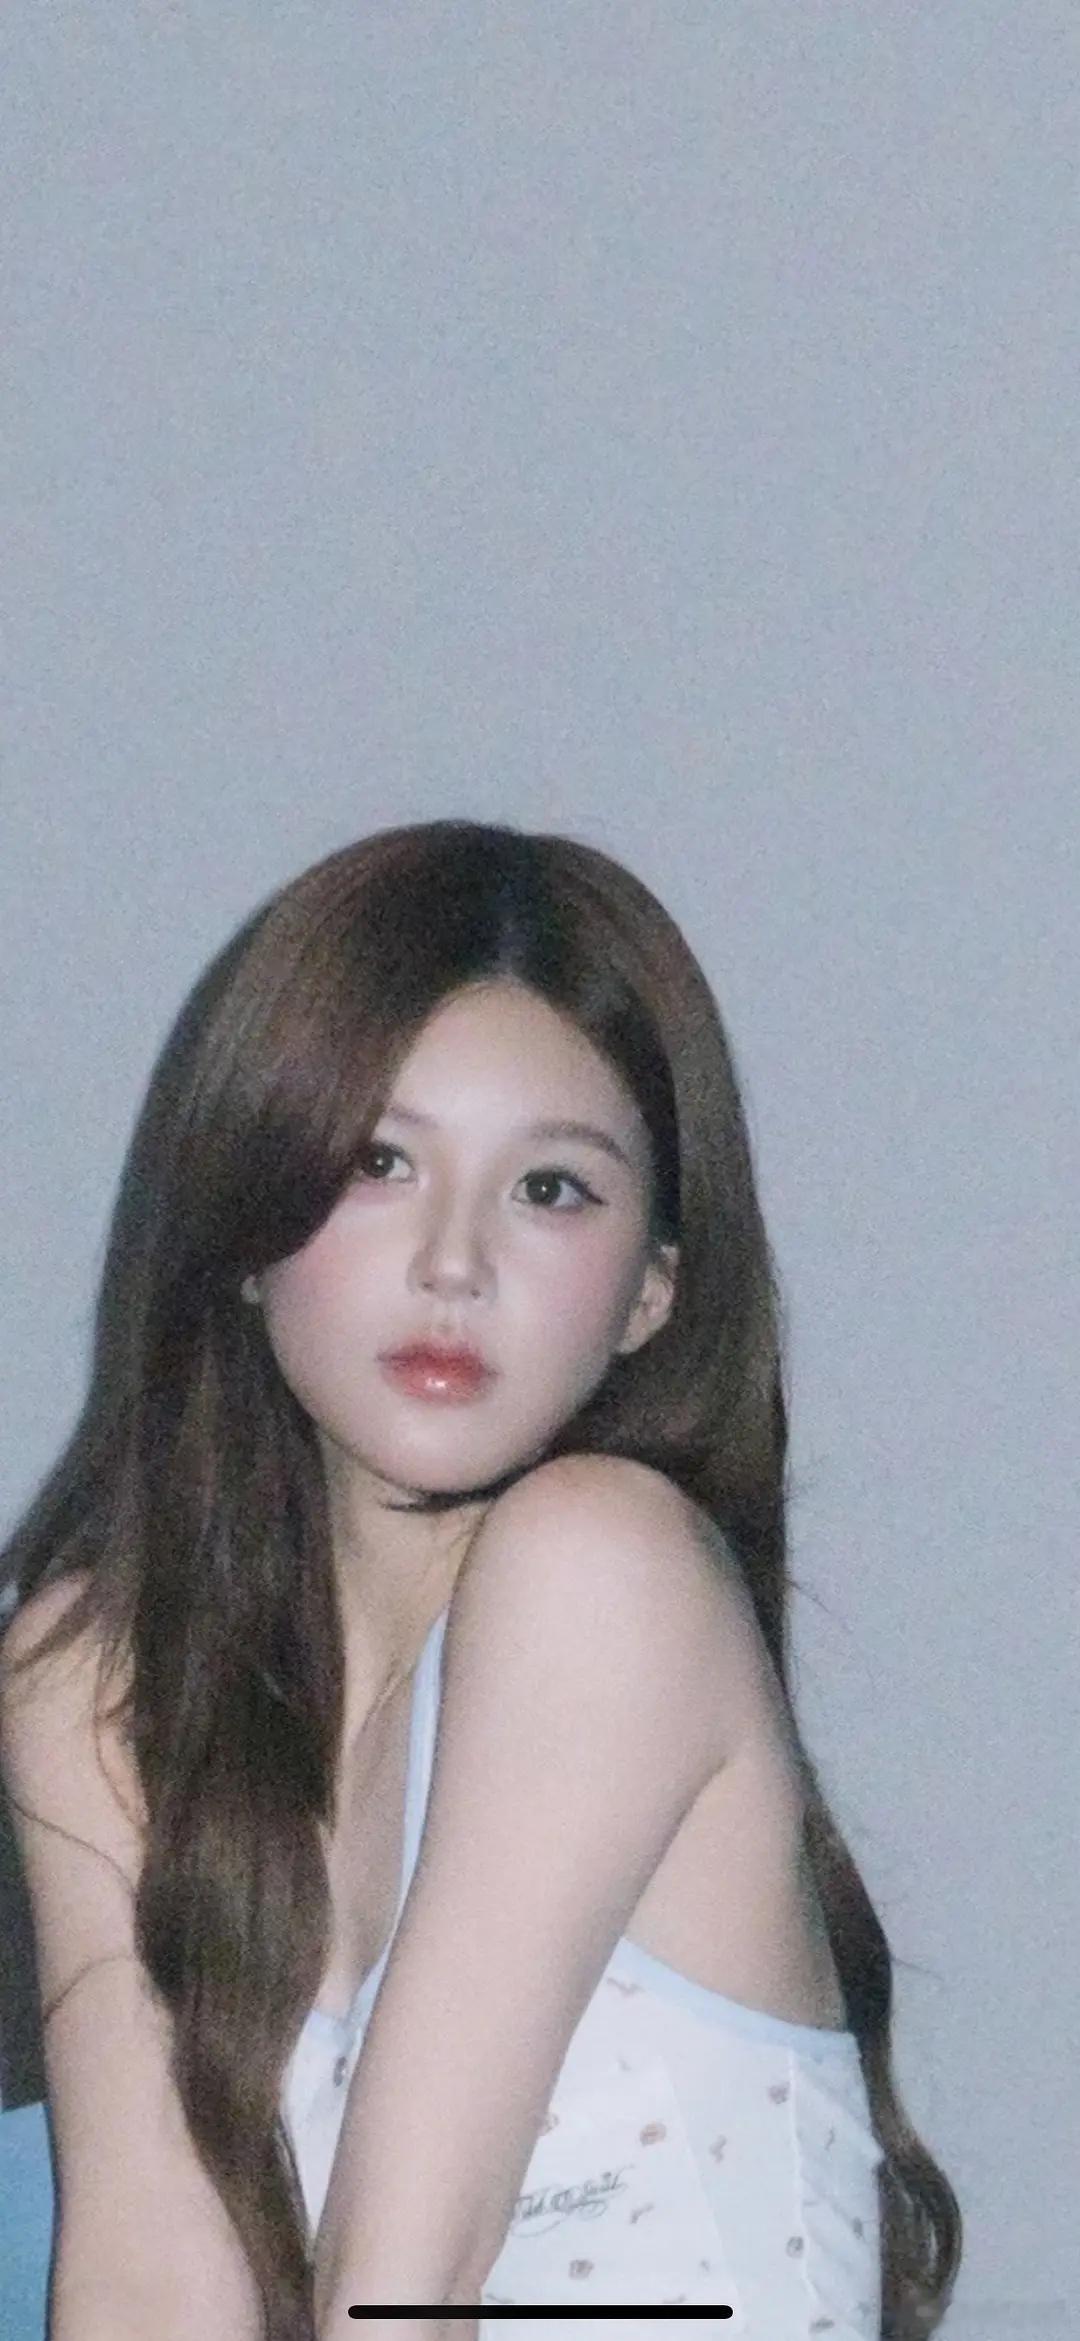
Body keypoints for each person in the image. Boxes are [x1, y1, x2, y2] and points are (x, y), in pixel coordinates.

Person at [0, 816, 961, 2339]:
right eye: (379, 1162)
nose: (454, 1262)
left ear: (651, 1290)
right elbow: (143, 2283)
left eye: (552, 1189)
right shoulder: (93, 1676)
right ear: (248, 1230)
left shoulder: (605, 1568)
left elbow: (406, 2286)